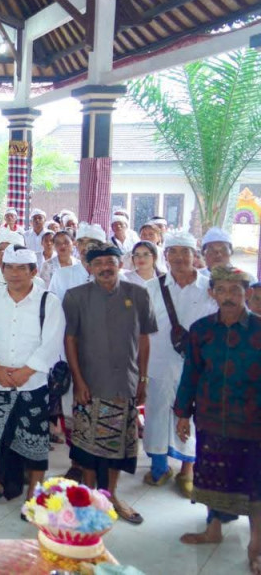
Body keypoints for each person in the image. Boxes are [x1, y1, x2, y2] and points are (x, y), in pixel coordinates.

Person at [174, 265, 261, 570]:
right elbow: (191, 373)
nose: (228, 297)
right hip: (211, 418)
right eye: (221, 290)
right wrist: (183, 414)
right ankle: (213, 530)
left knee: (255, 483)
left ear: (247, 294)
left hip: (253, 421)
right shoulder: (201, 330)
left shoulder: (259, 330)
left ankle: (256, 544)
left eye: (235, 290)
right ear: (211, 293)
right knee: (213, 474)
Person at [63, 245, 157, 525]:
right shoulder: (75, 297)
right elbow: (70, 340)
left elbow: (144, 339)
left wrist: (142, 377)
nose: (105, 267)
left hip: (124, 382)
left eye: (110, 262)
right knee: (89, 447)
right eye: (98, 263)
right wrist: (78, 381)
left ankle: (112, 496)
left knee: (118, 447)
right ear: (89, 267)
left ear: (120, 264)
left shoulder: (138, 294)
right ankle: (91, 498)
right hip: (90, 384)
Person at [0, 247, 63, 509]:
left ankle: (34, 491)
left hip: (32, 384)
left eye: (21, 268)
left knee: (35, 439)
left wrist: (25, 371)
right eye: (9, 268)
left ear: (34, 271)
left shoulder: (49, 301)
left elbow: (51, 341)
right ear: (2, 271)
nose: (14, 274)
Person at [142, 232, 215, 496]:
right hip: (159, 363)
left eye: (186, 252)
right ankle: (159, 467)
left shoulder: (210, 288)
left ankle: (188, 471)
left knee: (192, 416)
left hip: (197, 366)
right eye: (174, 252)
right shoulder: (151, 288)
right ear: (166, 256)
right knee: (158, 414)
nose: (180, 257)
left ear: (195, 256)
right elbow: (141, 330)